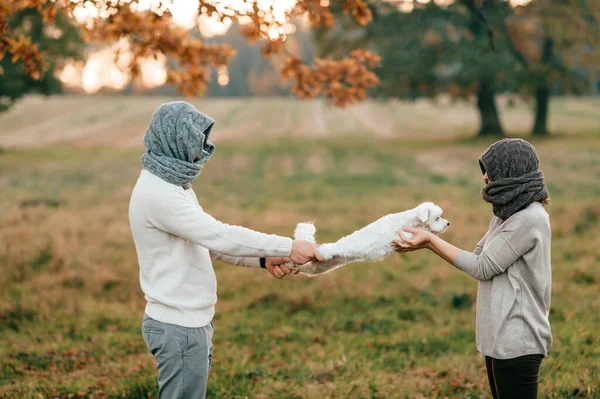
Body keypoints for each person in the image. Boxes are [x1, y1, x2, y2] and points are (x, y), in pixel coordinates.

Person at [128, 101, 323, 399]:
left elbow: (204, 241)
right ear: (176, 141)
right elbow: (218, 234)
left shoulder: (172, 185)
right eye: (196, 143)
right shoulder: (160, 195)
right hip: (178, 327)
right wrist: (289, 246)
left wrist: (263, 259)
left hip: (188, 324)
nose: (201, 152)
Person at [394, 138, 552, 399]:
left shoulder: (530, 218)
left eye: (492, 169)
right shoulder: (507, 214)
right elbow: (479, 254)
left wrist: (431, 241)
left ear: (510, 170)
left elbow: (482, 267)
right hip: (499, 339)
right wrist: (427, 241)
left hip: (518, 340)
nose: (486, 176)